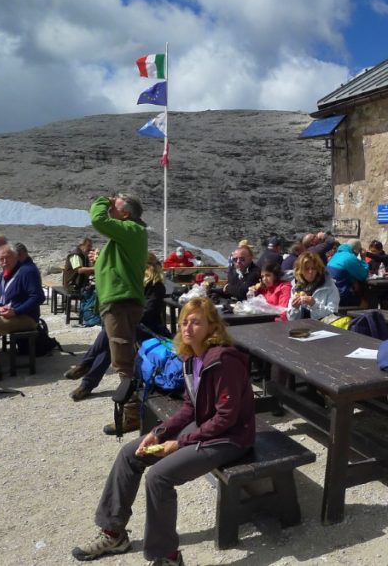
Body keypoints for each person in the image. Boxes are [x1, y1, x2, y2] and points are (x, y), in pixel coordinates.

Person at [71, 297, 255, 566]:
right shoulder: (193, 358)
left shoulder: (223, 361)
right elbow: (190, 407)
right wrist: (159, 432)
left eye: (196, 322)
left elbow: (226, 418)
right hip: (207, 428)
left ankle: (166, 557)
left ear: (212, 327)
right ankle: (113, 532)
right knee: (130, 453)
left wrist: (180, 444)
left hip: (232, 437)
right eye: (183, 323)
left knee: (159, 476)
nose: (187, 328)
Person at [68, 253, 171, 401]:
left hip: (146, 329)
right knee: (112, 339)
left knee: (113, 335)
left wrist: (126, 317)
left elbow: (149, 312)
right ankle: (86, 380)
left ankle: (86, 371)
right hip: (131, 326)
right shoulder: (134, 283)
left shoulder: (156, 286)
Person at [91, 193, 149, 435]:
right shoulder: (129, 231)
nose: (110, 204)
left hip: (120, 303)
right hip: (118, 302)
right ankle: (137, 408)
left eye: (115, 203)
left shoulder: (131, 229)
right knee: (125, 355)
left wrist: (102, 200)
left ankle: (132, 415)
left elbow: (98, 220)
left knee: (123, 360)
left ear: (125, 213)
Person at [0, 243, 44, 379]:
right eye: (1, 260)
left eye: (8, 258)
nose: (4, 262)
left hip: (26, 317)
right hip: (8, 312)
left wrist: (16, 311)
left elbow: (38, 296)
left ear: (16, 257)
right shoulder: (4, 274)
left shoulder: (26, 271)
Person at [286, 252, 340, 321]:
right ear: (300, 271)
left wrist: (314, 305)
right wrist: (294, 308)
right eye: (306, 269)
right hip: (301, 328)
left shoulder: (329, 286)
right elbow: (291, 319)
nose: (310, 271)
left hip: (322, 329)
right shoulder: (296, 287)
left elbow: (333, 314)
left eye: (313, 268)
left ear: (318, 269)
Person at [326, 239, 369, 307]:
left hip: (330, 293)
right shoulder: (350, 257)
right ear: (356, 251)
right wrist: (363, 258)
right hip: (341, 295)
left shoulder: (336, 255)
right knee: (365, 304)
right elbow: (363, 275)